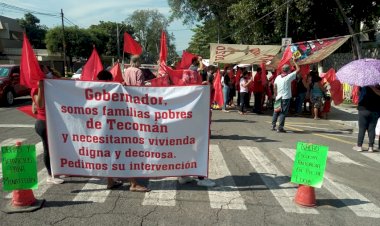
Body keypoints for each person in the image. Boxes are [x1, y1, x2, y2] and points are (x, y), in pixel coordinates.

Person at [122, 56, 151, 192]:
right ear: (137, 61)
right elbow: (139, 87)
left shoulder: (126, 70)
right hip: (137, 101)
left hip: (127, 101)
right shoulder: (138, 72)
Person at [32, 74, 64, 184]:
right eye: (46, 71)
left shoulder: (50, 86)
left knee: (56, 148)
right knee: (48, 149)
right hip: (44, 123)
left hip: (52, 122)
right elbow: (39, 104)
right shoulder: (37, 88)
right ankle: (50, 175)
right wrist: (40, 87)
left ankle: (57, 170)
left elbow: (33, 109)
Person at [272, 59, 300, 132]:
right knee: (283, 112)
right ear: (288, 70)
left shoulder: (278, 77)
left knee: (276, 112)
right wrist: (294, 62)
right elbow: (298, 69)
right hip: (285, 97)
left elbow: (274, 86)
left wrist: (275, 94)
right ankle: (280, 127)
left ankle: (273, 125)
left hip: (278, 97)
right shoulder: (288, 76)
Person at [354, 85, 380, 152]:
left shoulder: (363, 84)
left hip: (363, 108)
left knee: (362, 128)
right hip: (375, 109)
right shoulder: (378, 84)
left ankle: (359, 146)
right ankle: (370, 147)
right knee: (372, 128)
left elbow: (358, 93)